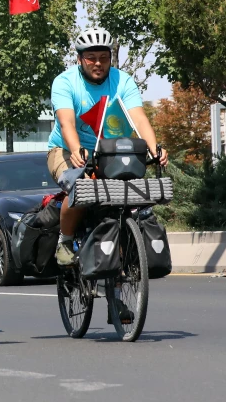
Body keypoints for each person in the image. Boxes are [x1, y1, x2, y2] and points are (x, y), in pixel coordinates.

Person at [48, 27, 168, 266]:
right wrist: (75, 149)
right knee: (80, 186)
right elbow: (66, 122)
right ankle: (66, 240)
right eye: (91, 58)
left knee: (133, 194)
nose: (98, 63)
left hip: (111, 152)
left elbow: (139, 119)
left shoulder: (123, 80)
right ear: (80, 59)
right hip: (66, 149)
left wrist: (154, 148)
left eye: (104, 58)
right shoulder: (64, 82)